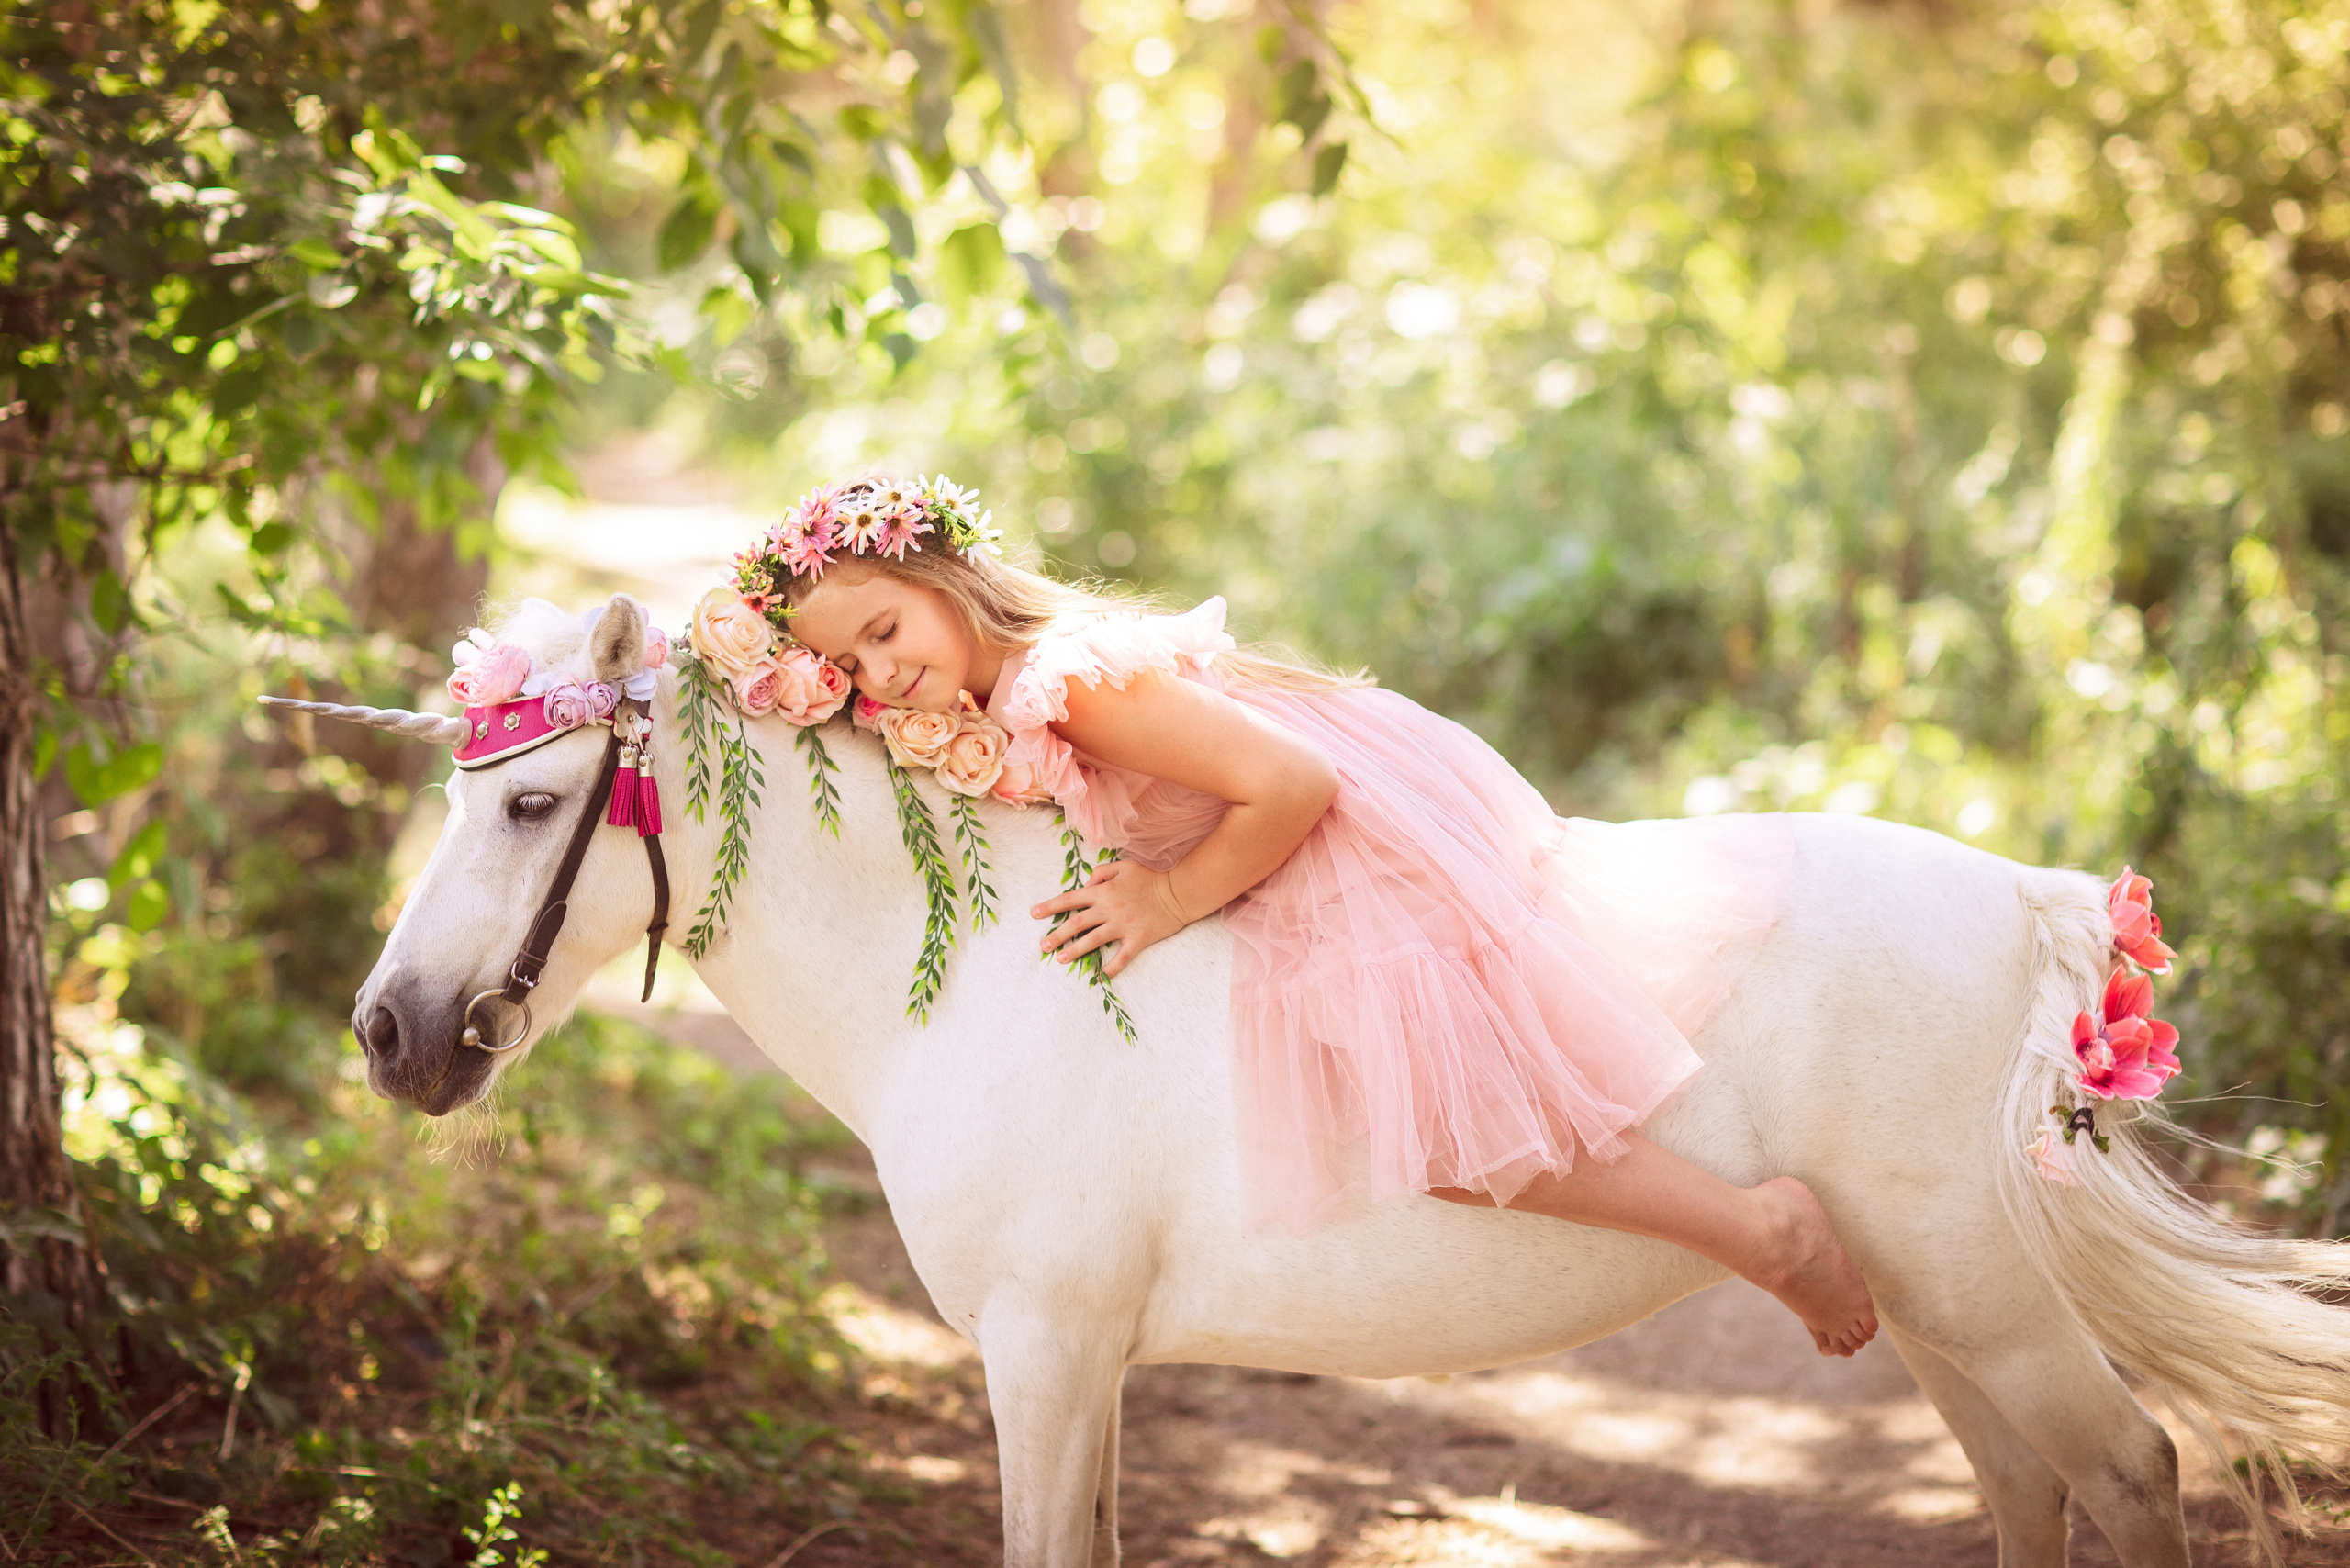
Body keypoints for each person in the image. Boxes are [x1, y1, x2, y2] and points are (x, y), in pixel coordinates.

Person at [775, 478, 1878, 1358]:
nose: (881, 672)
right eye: (849, 665)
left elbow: (1291, 784)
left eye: (883, 628)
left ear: (951, 580)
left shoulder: (1066, 681)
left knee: (1451, 1129)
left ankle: (1761, 1232)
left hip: (1342, 839)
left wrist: (1168, 894)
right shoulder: (1008, 682)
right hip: (1305, 821)